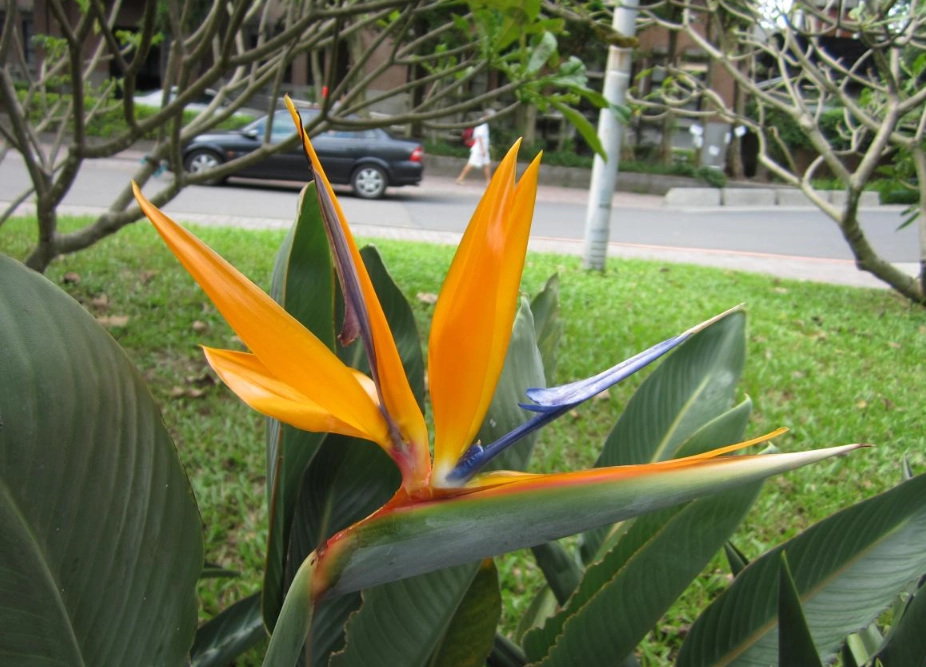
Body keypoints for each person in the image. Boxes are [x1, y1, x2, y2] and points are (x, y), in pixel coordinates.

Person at [456, 109, 495, 185]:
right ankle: (460, 178)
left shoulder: (484, 123)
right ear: (487, 116)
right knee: (471, 163)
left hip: (482, 147)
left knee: (487, 164)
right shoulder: (482, 123)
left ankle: (488, 181)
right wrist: (483, 149)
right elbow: (479, 137)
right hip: (479, 148)